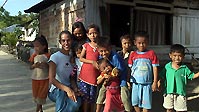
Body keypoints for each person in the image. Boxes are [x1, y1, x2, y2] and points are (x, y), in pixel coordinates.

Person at [48, 30, 81, 112]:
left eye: (68, 40)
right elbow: (51, 79)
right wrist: (67, 89)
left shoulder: (73, 58)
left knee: (76, 104)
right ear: (60, 42)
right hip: (56, 90)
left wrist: (75, 89)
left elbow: (73, 77)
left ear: (72, 41)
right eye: (63, 41)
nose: (66, 43)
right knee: (61, 92)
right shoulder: (55, 57)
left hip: (70, 88)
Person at [96, 36, 132, 112]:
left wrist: (111, 77)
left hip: (121, 78)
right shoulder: (101, 57)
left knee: (124, 96)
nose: (103, 53)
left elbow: (119, 71)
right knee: (102, 92)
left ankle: (128, 110)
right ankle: (98, 109)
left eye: (105, 51)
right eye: (101, 51)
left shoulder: (115, 57)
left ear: (110, 48)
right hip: (109, 78)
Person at [159, 44, 199, 112]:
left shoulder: (184, 68)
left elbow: (192, 76)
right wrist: (158, 82)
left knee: (180, 110)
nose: (177, 58)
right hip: (168, 92)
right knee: (169, 109)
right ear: (170, 55)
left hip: (180, 93)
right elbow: (161, 76)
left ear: (183, 56)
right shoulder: (167, 67)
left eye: (180, 56)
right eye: (174, 56)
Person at [128, 31, 159, 112]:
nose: (141, 45)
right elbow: (129, 69)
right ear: (135, 43)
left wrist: (155, 82)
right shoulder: (133, 54)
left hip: (147, 83)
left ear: (148, 42)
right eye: (139, 43)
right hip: (135, 83)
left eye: (144, 43)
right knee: (135, 102)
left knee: (146, 103)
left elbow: (155, 68)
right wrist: (128, 80)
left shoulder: (151, 53)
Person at [78, 24, 100, 112]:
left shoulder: (100, 47)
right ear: (87, 35)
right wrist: (92, 62)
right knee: (85, 97)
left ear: (98, 33)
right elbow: (81, 58)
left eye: (95, 33)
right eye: (91, 33)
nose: (93, 35)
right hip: (85, 76)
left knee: (93, 98)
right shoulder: (86, 45)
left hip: (95, 76)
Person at [29, 35, 51, 112]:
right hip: (35, 78)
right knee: (36, 94)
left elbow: (51, 66)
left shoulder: (48, 56)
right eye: (34, 46)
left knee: (41, 95)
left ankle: (37, 109)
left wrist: (46, 65)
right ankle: (40, 109)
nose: (35, 48)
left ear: (44, 46)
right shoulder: (34, 55)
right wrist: (34, 65)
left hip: (44, 78)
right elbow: (30, 67)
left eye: (37, 46)